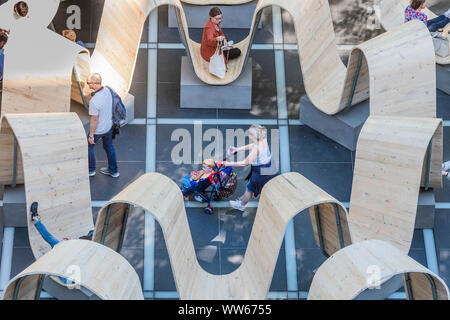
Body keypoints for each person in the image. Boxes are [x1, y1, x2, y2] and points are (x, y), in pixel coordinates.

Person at [30, 202, 93, 284]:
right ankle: (36, 219)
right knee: (53, 240)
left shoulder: (71, 278)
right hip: (70, 253)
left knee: (52, 240)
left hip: (63, 257)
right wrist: (70, 242)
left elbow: (64, 267)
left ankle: (35, 218)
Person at [223, 125, 279, 212]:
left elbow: (244, 163)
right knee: (265, 185)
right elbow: (253, 145)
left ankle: (241, 205)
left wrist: (227, 163)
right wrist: (237, 149)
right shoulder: (263, 139)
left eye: (250, 134)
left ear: (254, 136)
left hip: (261, 171)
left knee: (249, 188)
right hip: (269, 166)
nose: (248, 135)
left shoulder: (257, 149)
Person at [86, 73, 120, 178]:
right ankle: (114, 171)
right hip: (109, 127)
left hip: (98, 130)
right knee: (109, 147)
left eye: (88, 83)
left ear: (95, 84)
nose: (88, 85)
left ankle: (91, 170)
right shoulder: (108, 90)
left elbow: (94, 120)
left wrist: (91, 135)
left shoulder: (94, 101)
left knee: (89, 147)